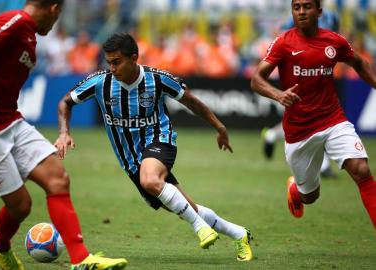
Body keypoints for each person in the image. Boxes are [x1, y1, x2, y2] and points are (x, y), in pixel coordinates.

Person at [55, 33, 253, 262]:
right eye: (108, 62)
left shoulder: (157, 79)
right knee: (182, 206)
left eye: (116, 62)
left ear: (134, 58)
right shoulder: (101, 82)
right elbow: (65, 102)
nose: (111, 68)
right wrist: (63, 132)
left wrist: (220, 128)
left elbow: (191, 101)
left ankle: (200, 227)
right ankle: (239, 234)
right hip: (130, 160)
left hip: (160, 139)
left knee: (150, 180)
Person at [0, 1, 128, 269]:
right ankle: (1, 245)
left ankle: (81, 260)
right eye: (58, 18)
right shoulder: (16, 21)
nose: (55, 25)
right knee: (21, 206)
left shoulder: (30, 34)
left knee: (58, 179)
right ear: (54, 9)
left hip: (11, 121)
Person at [251, 0, 376, 228]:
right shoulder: (283, 43)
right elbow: (256, 79)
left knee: (362, 170)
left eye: (307, 6)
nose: (301, 11)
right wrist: (278, 95)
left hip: (333, 120)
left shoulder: (334, 41)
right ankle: (296, 191)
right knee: (310, 196)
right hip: (300, 131)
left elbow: (359, 63)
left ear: (319, 11)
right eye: (296, 7)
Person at [261, 6, 341, 178]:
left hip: (320, 73)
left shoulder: (332, 17)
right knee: (306, 117)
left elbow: (337, 41)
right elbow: (283, 36)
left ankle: (272, 135)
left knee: (320, 119)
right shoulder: (301, 16)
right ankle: (323, 166)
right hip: (300, 73)